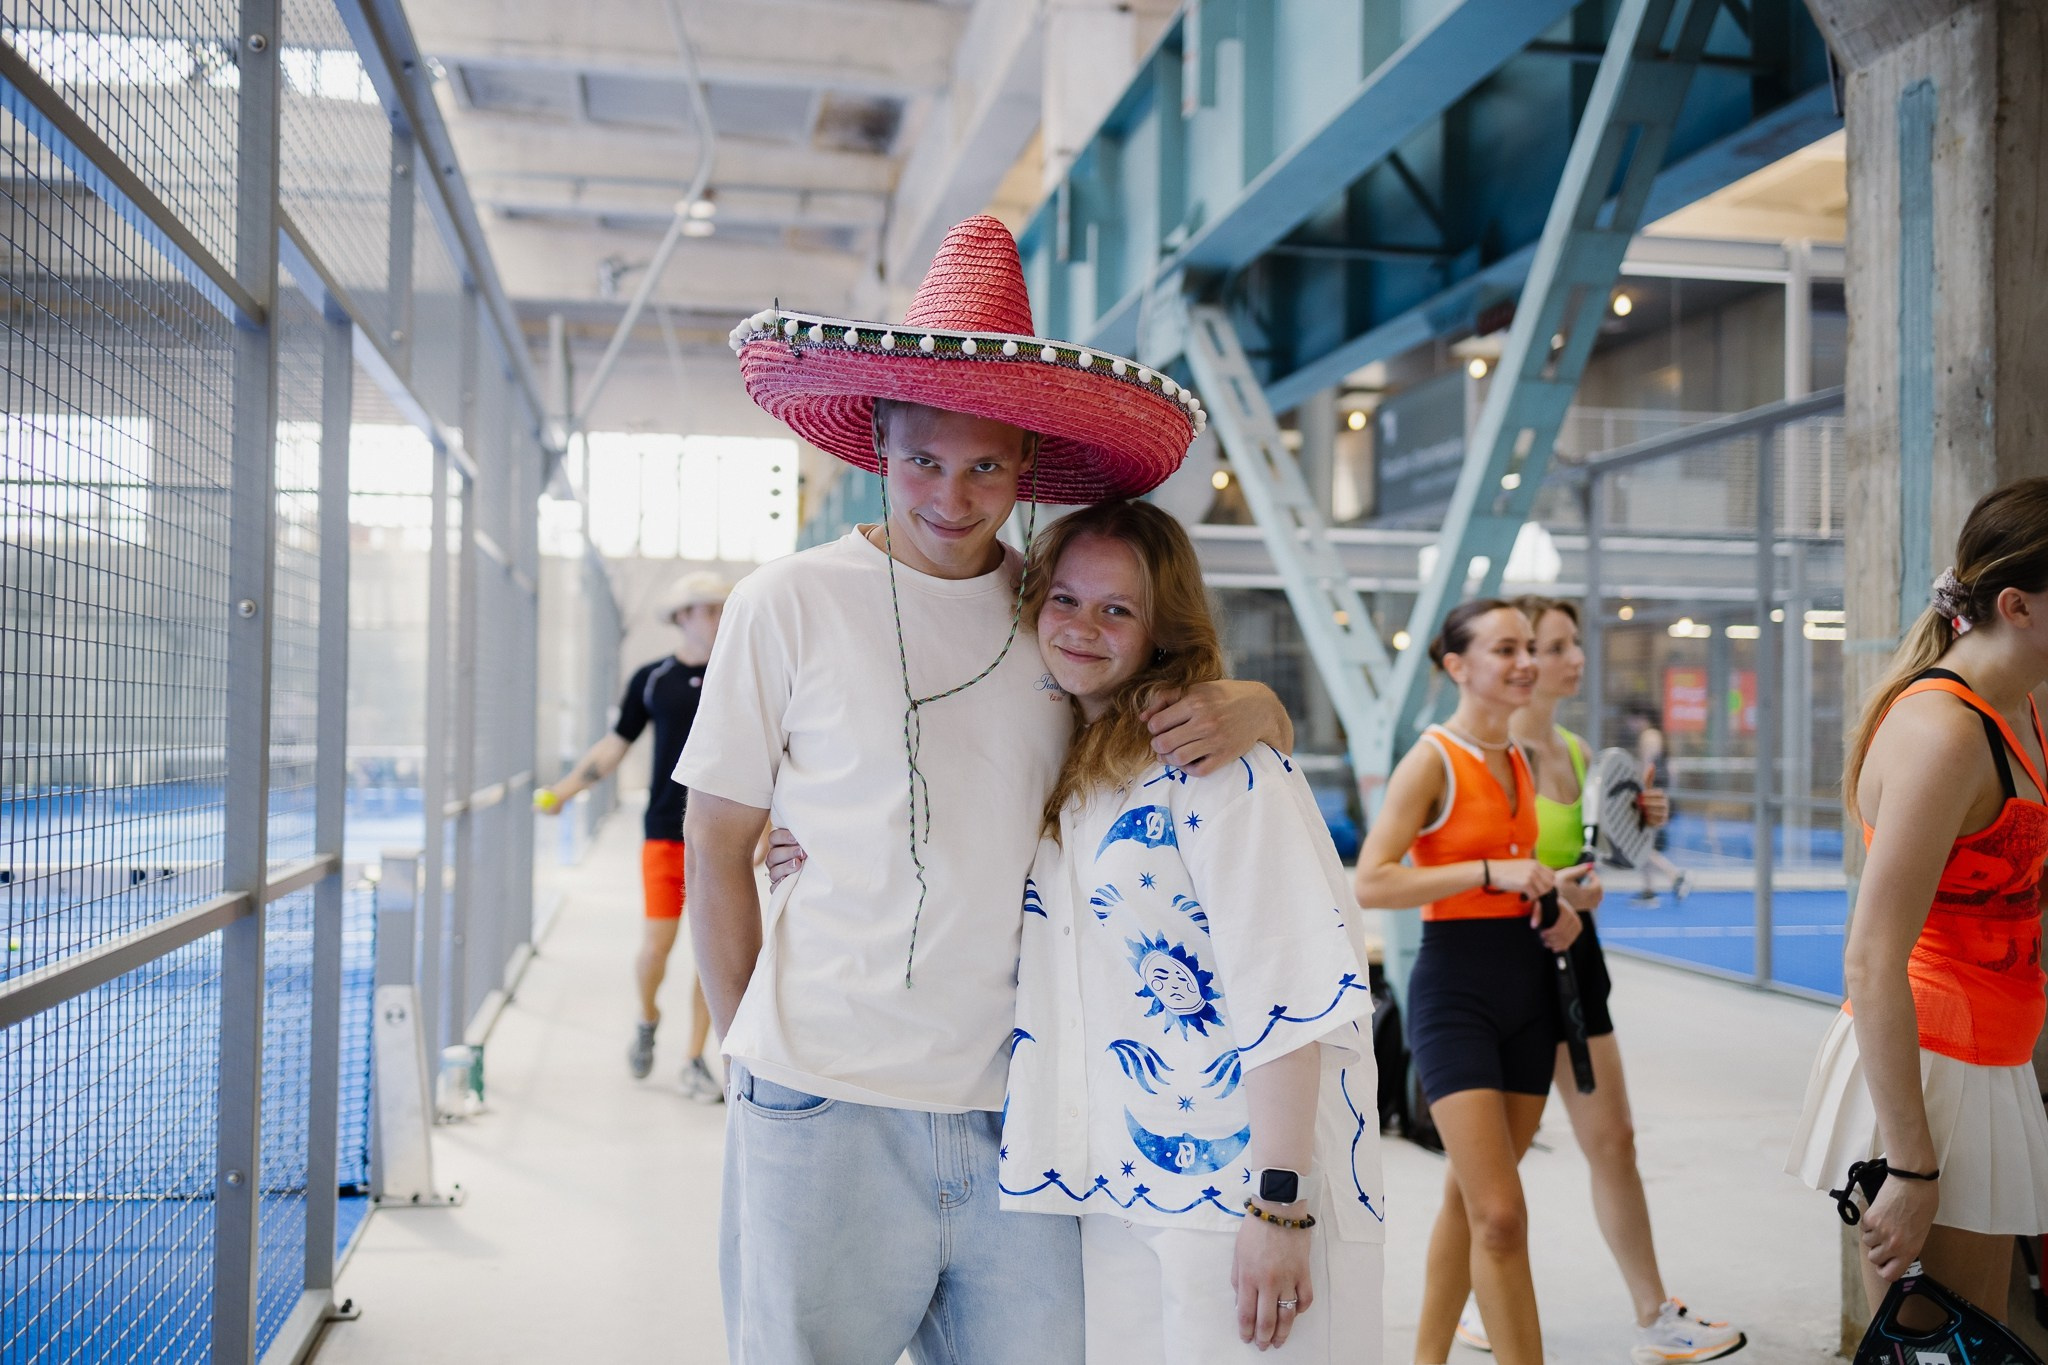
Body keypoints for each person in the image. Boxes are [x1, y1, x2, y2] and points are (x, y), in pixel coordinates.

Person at [677, 215, 1290, 1364]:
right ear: (875, 443)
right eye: (921, 460)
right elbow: (716, 842)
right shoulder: (786, 602)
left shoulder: (1052, 622)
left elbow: (1165, 706)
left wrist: (1262, 709)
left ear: (1024, 468)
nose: (950, 497)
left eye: (984, 468)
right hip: (823, 1095)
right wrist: (747, 1054)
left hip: (1023, 1101)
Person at [999, 500, 1384, 1362]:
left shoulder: (1216, 767)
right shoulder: (1078, 771)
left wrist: (1280, 1202)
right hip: (1116, 1183)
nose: (1082, 627)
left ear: (1162, 630)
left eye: (1118, 609)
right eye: (1064, 599)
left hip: (1239, 1194)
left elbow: (1288, 982)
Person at [1434, 595, 1745, 1361]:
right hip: (1502, 968)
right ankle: (1474, 1302)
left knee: (1616, 1138)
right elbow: (1467, 873)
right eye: (1552, 644)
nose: (1568, 659)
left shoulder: (1576, 754)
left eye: (1569, 645)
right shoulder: (1478, 759)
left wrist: (1641, 819)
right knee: (1484, 1173)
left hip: (1577, 965)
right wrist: (1553, 889)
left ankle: (1653, 1315)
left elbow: (1597, 858)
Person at [1789, 477, 2048, 1324]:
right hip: (1935, 1062)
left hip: (1993, 1048)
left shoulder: (2024, 709)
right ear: (2017, 604)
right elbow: (1871, 954)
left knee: (1976, 1335)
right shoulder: (1943, 731)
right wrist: (1911, 1167)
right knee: (1944, 1343)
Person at [1352, 600, 1587, 1365]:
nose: (1525, 661)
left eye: (1529, 646)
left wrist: (1561, 902)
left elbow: (1525, 877)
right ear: (1457, 666)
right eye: (1504, 648)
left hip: (1530, 990)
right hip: (1456, 992)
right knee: (1500, 1215)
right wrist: (1491, 870)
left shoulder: (1521, 756)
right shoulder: (1434, 757)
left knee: (1469, 1196)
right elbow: (1374, 881)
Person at [535, 569, 727, 1101]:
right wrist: (566, 791)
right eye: (706, 609)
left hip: (722, 836)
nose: (715, 619)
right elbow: (615, 745)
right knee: (655, 951)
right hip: (665, 833)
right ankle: (647, 1018)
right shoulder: (653, 678)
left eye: (721, 609)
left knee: (714, 954)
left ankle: (694, 1057)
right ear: (682, 617)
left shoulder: (738, 672)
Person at [1631, 725, 1689, 904]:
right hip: (1654, 806)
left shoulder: (1656, 765)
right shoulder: (1666, 763)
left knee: (1643, 848)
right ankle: (1649, 889)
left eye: (1650, 743)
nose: (1647, 746)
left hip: (1654, 807)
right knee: (1644, 847)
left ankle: (1675, 875)